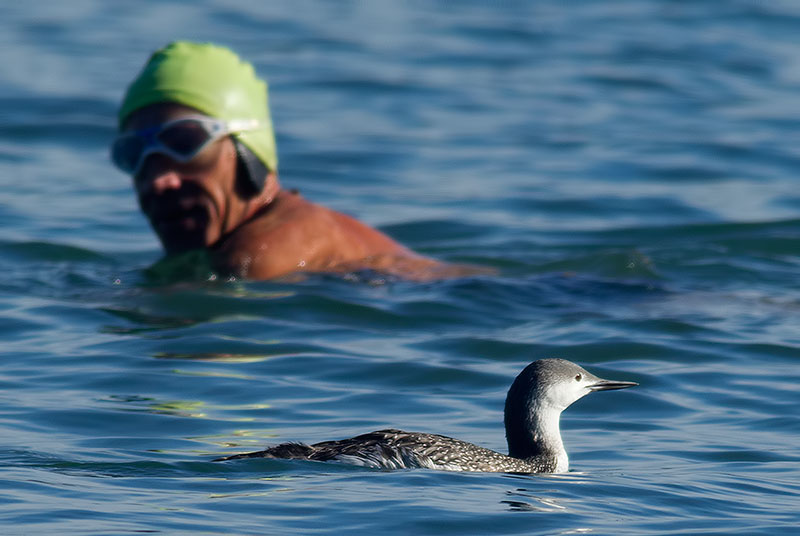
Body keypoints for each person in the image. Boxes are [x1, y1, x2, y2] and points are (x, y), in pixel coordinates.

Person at [112, 41, 483, 281]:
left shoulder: (260, 254)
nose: (159, 179)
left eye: (184, 143)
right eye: (134, 154)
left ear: (247, 149)